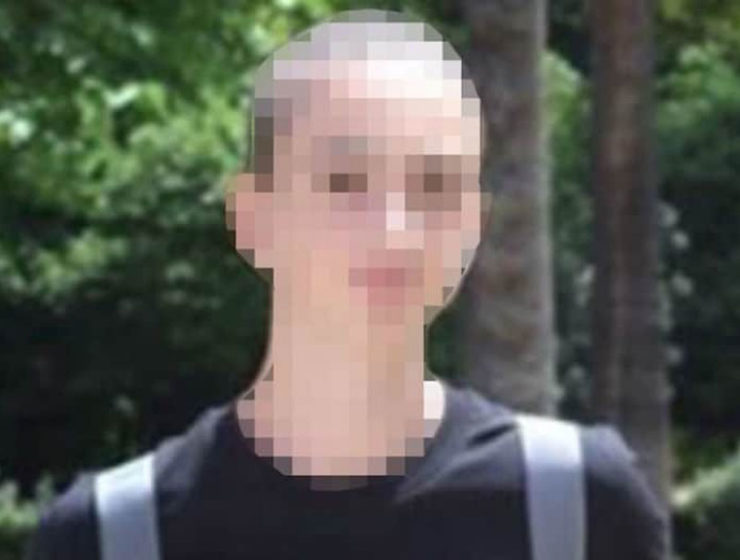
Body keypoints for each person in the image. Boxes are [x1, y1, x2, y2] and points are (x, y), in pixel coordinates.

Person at [25, 9, 669, 560]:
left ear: (473, 225)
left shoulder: (579, 509)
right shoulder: (108, 539)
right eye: (345, 183)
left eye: (435, 186)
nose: (396, 229)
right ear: (252, 220)